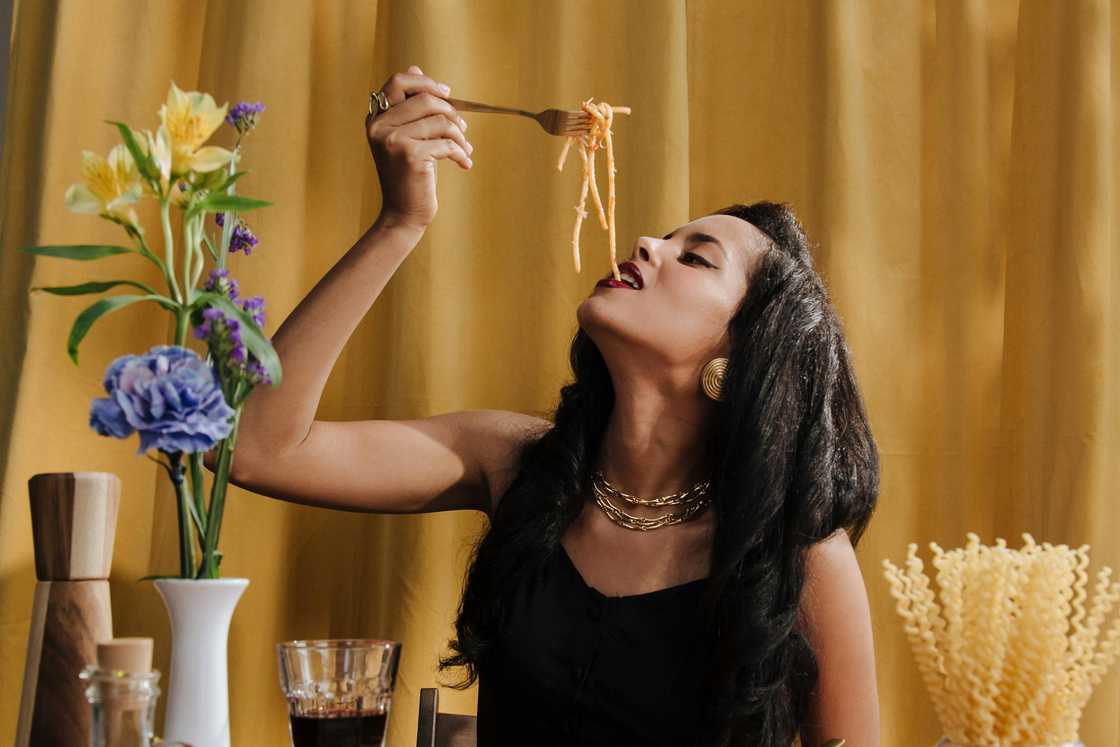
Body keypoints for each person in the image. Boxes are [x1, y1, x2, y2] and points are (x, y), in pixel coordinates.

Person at [210, 65, 882, 747]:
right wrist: (400, 220)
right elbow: (254, 446)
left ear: (742, 357)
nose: (648, 243)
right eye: (665, 237)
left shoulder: (800, 555)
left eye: (696, 257)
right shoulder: (512, 463)